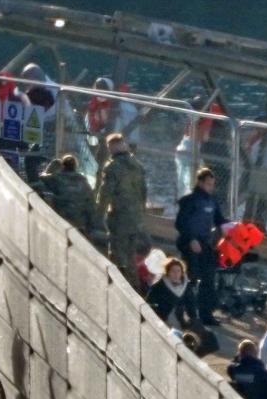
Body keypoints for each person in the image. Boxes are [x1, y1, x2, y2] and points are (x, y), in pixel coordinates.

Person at [175, 167, 231, 326]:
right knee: (190, 278)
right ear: (199, 183)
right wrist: (191, 239)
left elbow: (219, 219)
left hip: (205, 243)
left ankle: (206, 314)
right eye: (207, 184)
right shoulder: (189, 200)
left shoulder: (212, 201)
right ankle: (183, 310)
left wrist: (231, 225)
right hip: (189, 243)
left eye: (212, 184)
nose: (210, 187)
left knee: (208, 277)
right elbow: (180, 223)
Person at [96, 133, 148, 287]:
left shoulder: (113, 167)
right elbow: (144, 192)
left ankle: (117, 289)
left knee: (117, 255)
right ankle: (135, 291)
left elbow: (105, 193)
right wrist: (141, 212)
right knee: (131, 256)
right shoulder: (138, 165)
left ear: (112, 147)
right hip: (136, 219)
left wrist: (98, 215)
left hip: (119, 218)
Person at [39, 154, 101, 236]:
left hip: (61, 218)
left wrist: (46, 171)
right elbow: (91, 202)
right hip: (79, 221)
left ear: (63, 166)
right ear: (75, 166)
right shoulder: (83, 181)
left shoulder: (56, 178)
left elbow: (42, 178)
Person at [146, 258, 197, 328]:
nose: (176, 274)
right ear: (167, 272)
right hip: (162, 320)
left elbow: (191, 304)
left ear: (182, 273)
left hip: (180, 319)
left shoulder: (186, 286)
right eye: (173, 271)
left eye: (178, 271)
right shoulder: (159, 286)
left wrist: (194, 320)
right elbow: (149, 303)